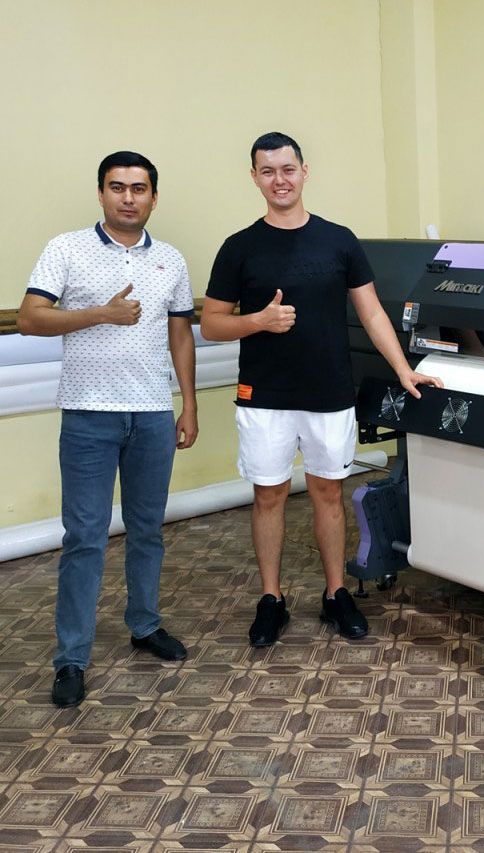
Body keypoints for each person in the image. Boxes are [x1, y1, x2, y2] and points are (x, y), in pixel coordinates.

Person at [201, 132, 441, 647]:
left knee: (329, 492)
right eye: (268, 171)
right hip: (265, 395)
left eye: (287, 169)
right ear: (254, 178)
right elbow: (212, 324)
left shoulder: (339, 240)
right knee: (268, 497)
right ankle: (271, 599)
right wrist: (258, 321)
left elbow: (371, 312)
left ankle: (336, 594)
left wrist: (403, 369)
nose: (279, 180)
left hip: (329, 392)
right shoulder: (239, 247)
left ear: (304, 172)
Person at [18, 151, 198, 708]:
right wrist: (100, 313)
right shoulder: (66, 249)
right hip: (88, 417)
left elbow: (180, 336)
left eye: (139, 188)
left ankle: (144, 625)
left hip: (152, 416)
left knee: (148, 530)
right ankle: (71, 658)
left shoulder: (170, 259)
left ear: (154, 197)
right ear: (100, 193)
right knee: (85, 538)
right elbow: (29, 318)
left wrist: (188, 404)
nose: (128, 197)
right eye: (117, 187)